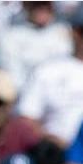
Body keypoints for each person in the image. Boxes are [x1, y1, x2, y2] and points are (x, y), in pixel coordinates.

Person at [18, 7, 83, 147]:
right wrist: (54, 144)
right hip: (56, 157)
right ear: (74, 32)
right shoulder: (48, 70)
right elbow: (27, 117)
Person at [0, 1, 71, 101]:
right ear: (26, 5)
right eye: (36, 4)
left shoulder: (66, 31)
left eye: (45, 4)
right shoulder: (11, 35)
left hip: (65, 97)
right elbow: (14, 78)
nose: (41, 8)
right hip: (26, 98)